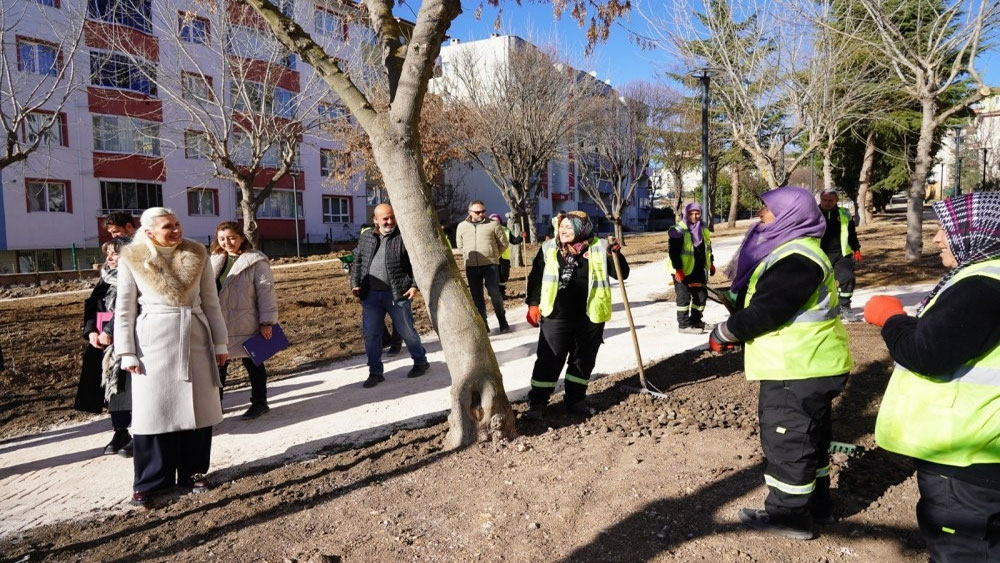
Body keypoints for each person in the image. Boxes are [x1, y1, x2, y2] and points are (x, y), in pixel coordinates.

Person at [709, 186, 852, 541]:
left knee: (788, 441)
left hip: (797, 366)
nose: (760, 215)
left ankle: (788, 515)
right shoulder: (796, 251)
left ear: (789, 215)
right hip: (814, 362)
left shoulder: (796, 257)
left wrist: (725, 332)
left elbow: (768, 311)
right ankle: (817, 505)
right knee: (812, 439)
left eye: (767, 210)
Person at [863, 191, 1000, 563]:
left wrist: (890, 317)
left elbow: (926, 352)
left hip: (967, 457)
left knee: (964, 552)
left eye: (945, 229)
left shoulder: (983, 284)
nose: (938, 238)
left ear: (977, 233)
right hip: (979, 451)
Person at [115, 207, 229, 508]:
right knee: (153, 414)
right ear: (150, 232)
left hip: (196, 337)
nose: (176, 230)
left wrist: (220, 344)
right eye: (168, 226)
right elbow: (124, 310)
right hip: (153, 342)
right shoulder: (133, 258)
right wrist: (126, 351)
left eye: (178, 224)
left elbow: (212, 303)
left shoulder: (197, 252)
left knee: (198, 411)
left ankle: (192, 473)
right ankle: (150, 481)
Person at [524, 211, 629, 419]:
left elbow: (621, 274)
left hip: (589, 314)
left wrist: (615, 254)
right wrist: (533, 305)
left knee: (583, 359)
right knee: (549, 358)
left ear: (582, 229)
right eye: (562, 227)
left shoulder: (599, 247)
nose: (563, 231)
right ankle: (537, 403)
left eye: (569, 227)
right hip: (556, 314)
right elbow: (535, 278)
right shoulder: (549, 248)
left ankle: (575, 400)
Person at [350, 203, 429, 388]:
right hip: (370, 295)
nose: (389, 221)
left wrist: (415, 285)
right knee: (371, 335)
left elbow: (417, 262)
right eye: (385, 218)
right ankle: (375, 372)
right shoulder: (367, 237)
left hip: (397, 294)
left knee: (406, 331)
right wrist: (354, 283)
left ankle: (420, 361)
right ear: (375, 220)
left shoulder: (403, 236)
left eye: (392, 217)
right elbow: (358, 261)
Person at [210, 221, 278, 420]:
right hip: (220, 322)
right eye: (222, 238)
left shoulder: (256, 261)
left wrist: (267, 322)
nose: (227, 242)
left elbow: (266, 292)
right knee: (218, 364)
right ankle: (215, 407)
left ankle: (259, 403)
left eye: (231, 237)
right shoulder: (214, 261)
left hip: (247, 320)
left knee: (253, 363)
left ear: (241, 237)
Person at [75, 238, 133, 457]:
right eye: (108, 253)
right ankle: (120, 431)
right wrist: (91, 331)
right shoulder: (105, 280)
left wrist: (109, 331)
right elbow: (92, 307)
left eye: (115, 253)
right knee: (113, 389)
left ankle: (138, 432)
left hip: (128, 340)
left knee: (130, 389)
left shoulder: (135, 278)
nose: (109, 258)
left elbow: (128, 307)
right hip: (105, 345)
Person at [456, 201, 510, 333]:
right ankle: (483, 324)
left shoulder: (493, 224)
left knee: (495, 294)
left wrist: (494, 255)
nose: (481, 214)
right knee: (477, 297)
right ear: (470, 212)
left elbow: (504, 243)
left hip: (490, 266)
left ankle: (502, 321)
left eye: (483, 211)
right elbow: (460, 245)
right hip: (471, 267)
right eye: (477, 212)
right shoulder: (462, 226)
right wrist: (467, 256)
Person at [667, 202, 715, 334]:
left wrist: (711, 263)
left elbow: (707, 248)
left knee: (701, 296)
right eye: (691, 213)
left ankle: (696, 321)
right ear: (686, 214)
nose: (694, 216)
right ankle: (683, 325)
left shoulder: (703, 228)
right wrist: (678, 270)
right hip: (681, 270)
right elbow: (673, 253)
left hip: (698, 269)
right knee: (684, 297)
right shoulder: (678, 230)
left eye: (697, 213)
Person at [818, 190, 861, 318]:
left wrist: (856, 249)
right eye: (824, 200)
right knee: (820, 282)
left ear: (836, 200)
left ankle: (844, 307)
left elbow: (852, 233)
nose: (827, 203)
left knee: (847, 279)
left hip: (842, 253)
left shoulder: (844, 213)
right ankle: (822, 308)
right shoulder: (814, 213)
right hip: (820, 254)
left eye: (830, 200)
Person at [489, 213, 523, 295]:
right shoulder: (487, 230)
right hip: (492, 257)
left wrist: (521, 236)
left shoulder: (506, 230)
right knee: (493, 276)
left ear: (500, 221)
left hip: (504, 258)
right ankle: (493, 294)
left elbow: (514, 241)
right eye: (493, 221)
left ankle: (502, 293)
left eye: (497, 221)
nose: (495, 223)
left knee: (504, 276)